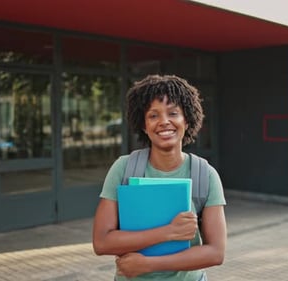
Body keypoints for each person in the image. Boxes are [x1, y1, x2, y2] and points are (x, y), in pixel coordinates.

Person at [92, 74, 227, 281]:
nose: (164, 122)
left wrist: (148, 265)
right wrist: (169, 232)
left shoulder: (205, 175)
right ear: (144, 126)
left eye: (173, 113)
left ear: (187, 120)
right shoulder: (124, 168)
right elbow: (102, 243)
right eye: (153, 115)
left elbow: (216, 253)